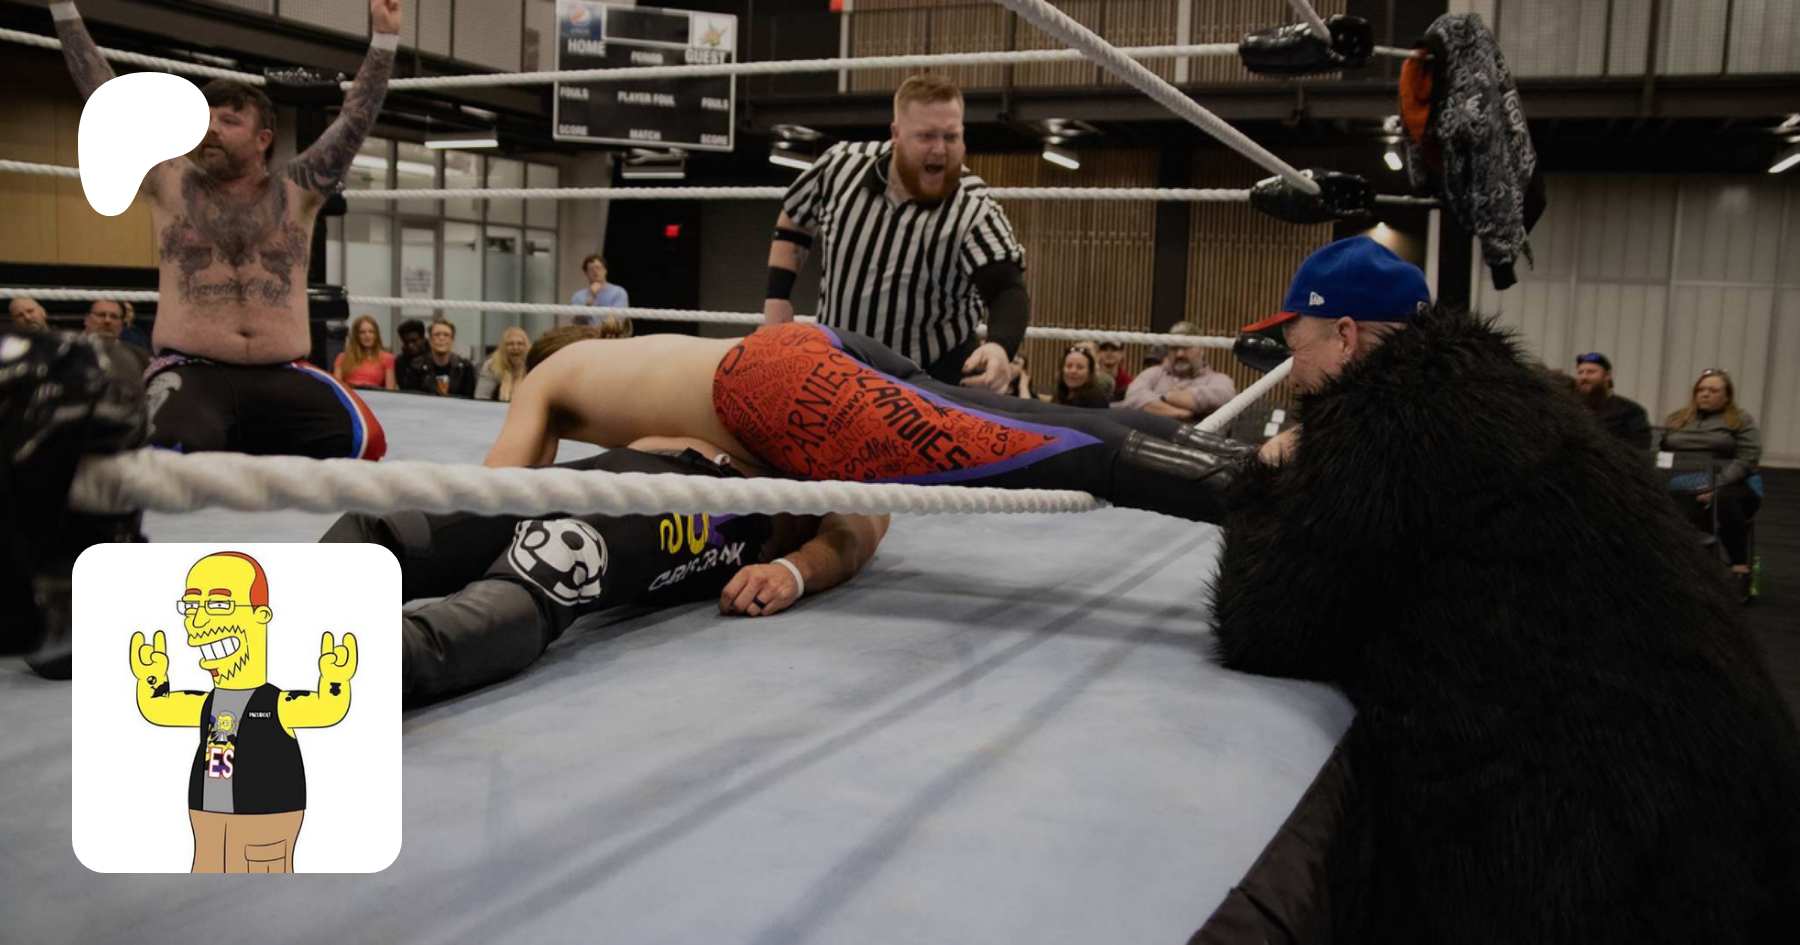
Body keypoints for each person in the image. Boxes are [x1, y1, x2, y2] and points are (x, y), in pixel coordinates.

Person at [1207, 237, 1800, 942]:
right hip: (1730, 780)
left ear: (1343, 338)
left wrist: (1262, 480)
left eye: (1295, 346)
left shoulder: (1384, 425)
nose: (1291, 371)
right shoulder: (1509, 398)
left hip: (1613, 834)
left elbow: (1261, 625)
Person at [51, 0, 396, 461]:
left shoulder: (298, 190)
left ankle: (242, 431)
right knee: (163, 448)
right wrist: (63, 9)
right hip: (192, 367)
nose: (210, 130)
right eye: (204, 120)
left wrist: (385, 39)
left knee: (363, 443)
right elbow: (105, 97)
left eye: (228, 121)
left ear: (263, 139)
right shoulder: (168, 181)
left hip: (283, 369)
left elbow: (354, 121)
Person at [491, 323, 1254, 524]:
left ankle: (1263, 492)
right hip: (802, 349)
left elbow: (494, 488)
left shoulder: (549, 375)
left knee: (1046, 449)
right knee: (1028, 416)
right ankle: (1249, 457)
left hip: (780, 388)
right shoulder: (622, 358)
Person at [320, 442, 888, 700]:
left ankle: (350, 666)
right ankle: (287, 612)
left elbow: (859, 529)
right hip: (616, 464)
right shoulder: (749, 387)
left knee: (546, 570)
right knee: (395, 523)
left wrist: (793, 570)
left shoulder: (861, 447)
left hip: (714, 512)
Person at [765, 74, 1029, 393]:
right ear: (896, 135)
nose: (940, 150)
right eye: (926, 136)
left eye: (951, 136)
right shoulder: (841, 166)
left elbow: (1006, 289)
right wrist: (777, 298)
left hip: (928, 379)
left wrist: (1000, 347)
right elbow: (795, 218)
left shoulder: (972, 205)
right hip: (839, 370)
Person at [1661, 368, 1762, 598]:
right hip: (1681, 479)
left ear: (1727, 397)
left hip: (1731, 481)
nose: (1705, 394)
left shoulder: (1740, 420)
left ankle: (1739, 568)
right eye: (1701, 389)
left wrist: (1717, 483)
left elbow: (1747, 458)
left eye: (1713, 390)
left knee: (1725, 500)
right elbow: (1659, 452)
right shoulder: (1677, 418)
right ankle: (1687, 565)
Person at [1115, 323, 1237, 422]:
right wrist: (1178, 413)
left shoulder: (1219, 380)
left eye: (1186, 347)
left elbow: (1221, 398)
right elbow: (1133, 397)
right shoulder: (1153, 373)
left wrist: (1161, 398)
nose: (1179, 354)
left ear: (1201, 349)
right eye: (1174, 348)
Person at [1573, 351, 1651, 452]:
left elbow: (1640, 450)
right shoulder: (1573, 409)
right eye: (1580, 373)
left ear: (1607, 375)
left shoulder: (1630, 411)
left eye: (1591, 372)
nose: (1584, 377)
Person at [400, 319, 475, 397]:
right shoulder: (416, 367)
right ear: (430, 340)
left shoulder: (465, 368)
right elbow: (411, 398)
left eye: (446, 335)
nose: (441, 338)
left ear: (452, 340)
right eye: (437, 335)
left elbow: (469, 399)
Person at [332, 315, 398, 390]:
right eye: (362, 332)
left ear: (376, 335)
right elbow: (336, 388)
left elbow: (390, 390)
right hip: (350, 395)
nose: (367, 336)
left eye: (371, 332)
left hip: (374, 395)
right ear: (356, 336)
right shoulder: (342, 357)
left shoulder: (387, 358)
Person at [475, 326, 530, 402]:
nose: (515, 347)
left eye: (520, 344)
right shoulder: (491, 365)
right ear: (503, 347)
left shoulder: (533, 365)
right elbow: (481, 397)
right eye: (510, 344)